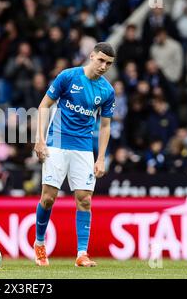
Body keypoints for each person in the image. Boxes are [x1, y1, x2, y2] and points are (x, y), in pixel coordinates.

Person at [33, 42, 116, 267]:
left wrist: (100, 158)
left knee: (85, 200)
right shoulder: (68, 77)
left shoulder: (107, 91)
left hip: (83, 148)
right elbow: (44, 106)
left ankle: (82, 254)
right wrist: (40, 139)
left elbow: (106, 126)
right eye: (100, 60)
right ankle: (39, 243)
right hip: (57, 142)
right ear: (91, 56)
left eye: (108, 63)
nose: (103, 66)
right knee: (48, 198)